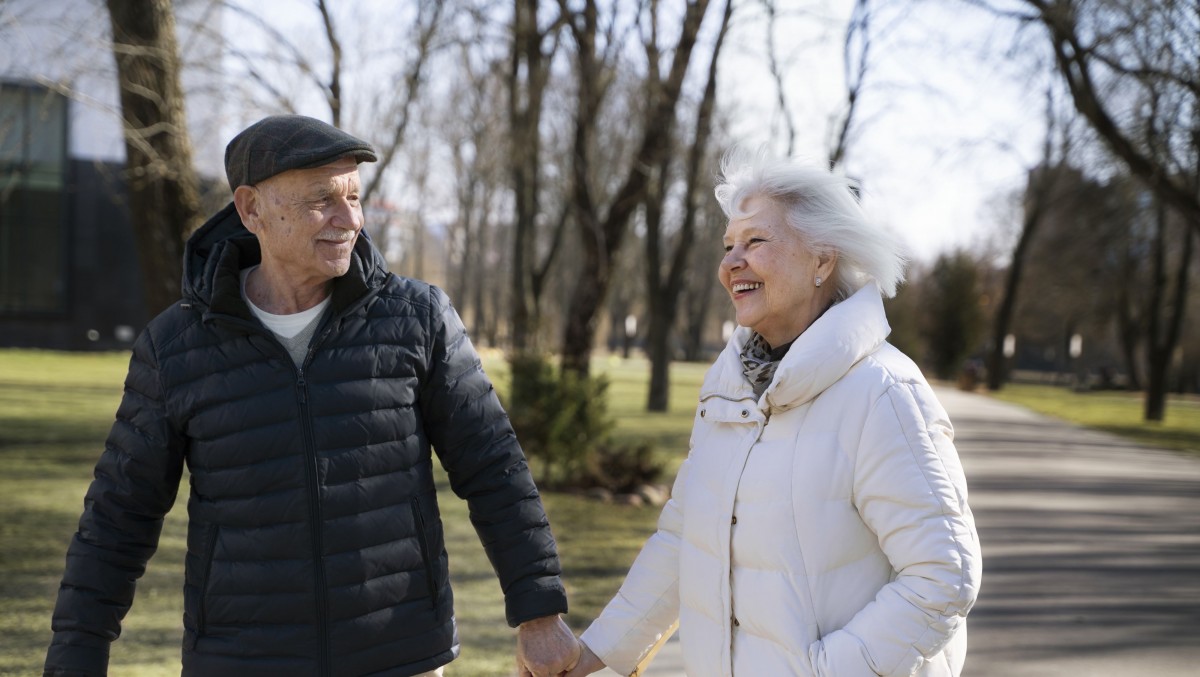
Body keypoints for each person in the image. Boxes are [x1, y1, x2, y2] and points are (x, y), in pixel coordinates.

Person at [44, 115, 580, 677]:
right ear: (251, 209)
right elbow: (118, 516)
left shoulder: (418, 318)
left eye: (354, 196)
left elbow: (494, 467)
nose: (350, 219)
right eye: (323, 200)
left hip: (399, 655)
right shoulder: (176, 346)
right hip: (243, 661)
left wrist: (539, 612)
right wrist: (76, 656)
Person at [566, 155, 982, 676]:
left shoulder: (884, 394)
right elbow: (686, 540)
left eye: (755, 241)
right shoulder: (728, 390)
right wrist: (596, 652)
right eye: (728, 246)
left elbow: (944, 576)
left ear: (822, 260)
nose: (731, 263)